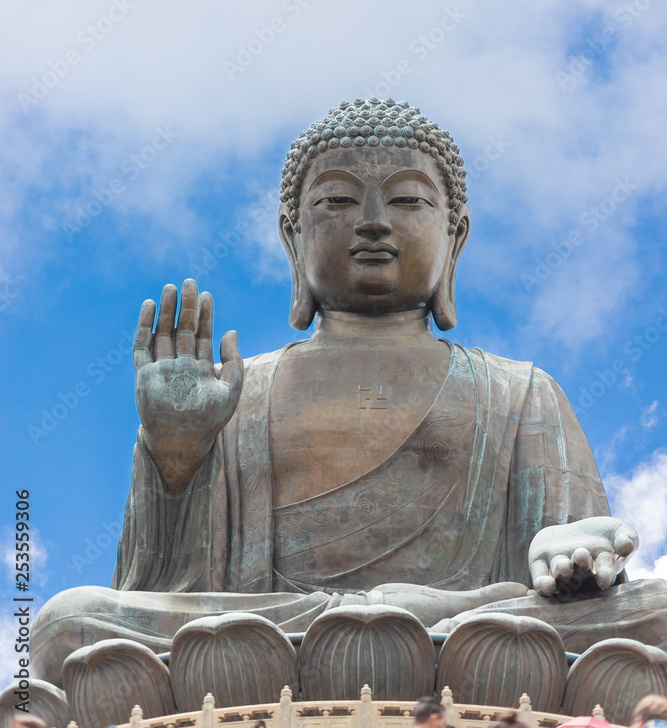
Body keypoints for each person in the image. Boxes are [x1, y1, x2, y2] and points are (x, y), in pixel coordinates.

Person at [31, 98, 667, 694]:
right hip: (280, 632)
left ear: (455, 238)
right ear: (292, 236)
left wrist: (574, 552)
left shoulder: (520, 391)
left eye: (408, 201)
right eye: (336, 200)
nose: (371, 222)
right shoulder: (237, 392)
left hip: (466, 625)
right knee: (67, 625)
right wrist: (175, 453)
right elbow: (160, 585)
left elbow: (580, 575)